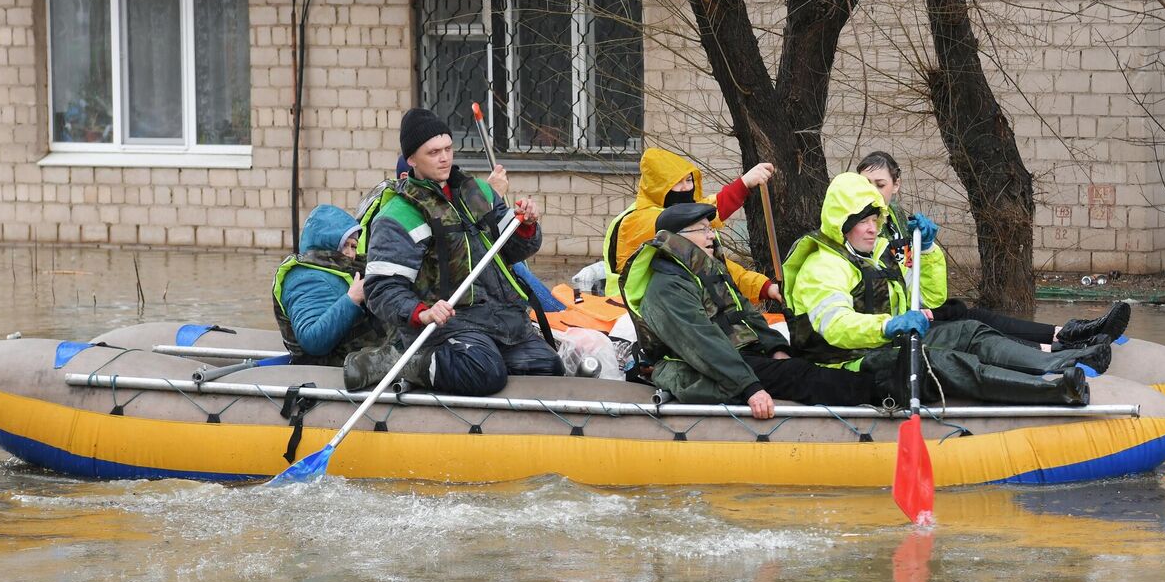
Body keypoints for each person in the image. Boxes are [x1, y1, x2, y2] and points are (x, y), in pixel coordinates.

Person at [783, 172, 1107, 406]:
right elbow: (835, 326)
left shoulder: (878, 253)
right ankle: (1055, 392)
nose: (872, 228)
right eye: (863, 221)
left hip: (890, 341)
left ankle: (1060, 363)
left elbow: (933, 298)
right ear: (841, 222)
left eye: (875, 219)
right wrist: (888, 325)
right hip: (848, 362)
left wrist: (926, 251)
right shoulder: (822, 267)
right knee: (943, 363)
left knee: (969, 331)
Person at [362, 108, 563, 396]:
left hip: (499, 317)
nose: (444, 158)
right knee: (483, 371)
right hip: (446, 326)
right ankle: (403, 362)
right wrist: (422, 313)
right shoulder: (397, 215)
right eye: (433, 152)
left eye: (447, 148)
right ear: (411, 159)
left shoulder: (479, 191)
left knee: (548, 367)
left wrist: (526, 226)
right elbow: (381, 289)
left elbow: (515, 250)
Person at [622, 201, 889, 417]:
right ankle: (886, 393)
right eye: (702, 230)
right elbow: (702, 344)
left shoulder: (705, 272)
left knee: (802, 362)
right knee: (802, 376)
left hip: (740, 357)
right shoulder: (667, 288)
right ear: (678, 239)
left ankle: (880, 382)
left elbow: (747, 315)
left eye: (710, 229)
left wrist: (776, 348)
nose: (711, 236)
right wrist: (750, 388)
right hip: (702, 370)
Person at [855, 151, 1130, 353]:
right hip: (889, 325)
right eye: (864, 185)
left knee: (974, 315)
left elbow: (929, 293)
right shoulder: (856, 228)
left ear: (896, 185)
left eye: (879, 185)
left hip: (909, 313)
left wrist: (927, 250)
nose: (872, 193)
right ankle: (1058, 349)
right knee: (971, 327)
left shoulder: (898, 221)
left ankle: (1064, 334)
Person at [602, 147, 780, 304]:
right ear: (657, 188)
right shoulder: (640, 221)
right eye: (676, 183)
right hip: (633, 313)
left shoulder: (672, 216)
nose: (686, 188)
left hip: (674, 306)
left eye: (688, 180)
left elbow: (717, 265)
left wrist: (763, 287)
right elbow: (714, 265)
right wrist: (742, 185)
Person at [272, 203, 394, 364]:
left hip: (356, 360)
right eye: (345, 245)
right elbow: (312, 340)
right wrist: (352, 299)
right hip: (326, 371)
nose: (351, 254)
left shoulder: (338, 270)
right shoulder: (305, 279)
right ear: (326, 242)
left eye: (354, 246)